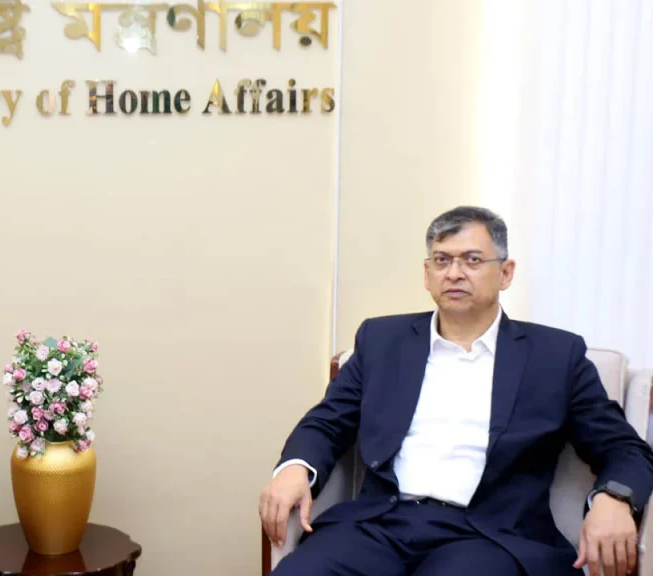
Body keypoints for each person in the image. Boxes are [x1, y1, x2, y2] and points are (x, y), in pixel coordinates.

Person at [259, 206, 653, 576]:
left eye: (472, 260)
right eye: (442, 260)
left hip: (489, 535)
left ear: (506, 273)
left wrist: (614, 498)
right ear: (427, 273)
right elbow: (327, 422)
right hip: (380, 525)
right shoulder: (382, 340)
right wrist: (296, 467)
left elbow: (622, 447)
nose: (454, 273)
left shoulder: (554, 356)